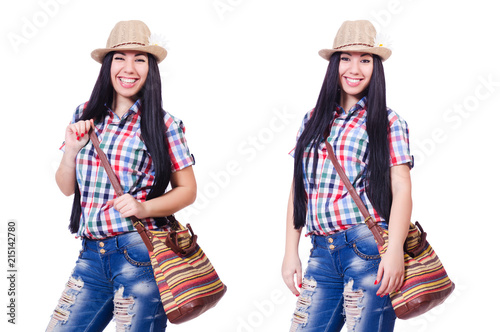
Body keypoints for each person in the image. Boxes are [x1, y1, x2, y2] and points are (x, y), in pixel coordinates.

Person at [46, 20, 196, 332]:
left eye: (139, 59)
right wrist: (71, 150)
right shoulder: (84, 114)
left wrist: (144, 208)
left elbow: (188, 190)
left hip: (138, 255)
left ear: (150, 68)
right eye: (120, 58)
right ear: (107, 65)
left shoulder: (164, 124)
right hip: (90, 256)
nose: (129, 68)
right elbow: (65, 188)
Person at [281, 20, 413, 332]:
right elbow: (298, 188)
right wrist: (290, 252)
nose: (354, 69)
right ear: (334, 65)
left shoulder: (388, 121)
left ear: (375, 67)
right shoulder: (312, 120)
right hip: (320, 253)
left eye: (365, 60)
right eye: (346, 59)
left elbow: (402, 188)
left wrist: (394, 250)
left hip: (367, 249)